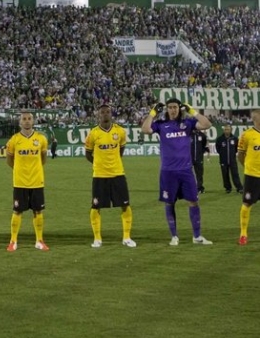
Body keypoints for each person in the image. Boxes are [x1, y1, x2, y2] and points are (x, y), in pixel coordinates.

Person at [141, 99, 213, 246]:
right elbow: (145, 129)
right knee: (169, 202)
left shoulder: (187, 124)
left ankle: (197, 236)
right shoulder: (161, 125)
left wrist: (192, 111)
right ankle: (174, 236)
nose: (173, 110)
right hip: (168, 172)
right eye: (170, 108)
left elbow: (207, 124)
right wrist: (153, 113)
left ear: (179, 109)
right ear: (166, 109)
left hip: (186, 171)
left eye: (175, 107)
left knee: (193, 201)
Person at [84, 104, 136, 248]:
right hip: (99, 176)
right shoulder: (93, 133)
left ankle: (126, 237)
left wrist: (113, 163)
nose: (105, 114)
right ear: (98, 115)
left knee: (125, 205)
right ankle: (97, 238)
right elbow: (88, 153)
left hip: (118, 174)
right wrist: (98, 164)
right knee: (96, 207)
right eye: (102, 112)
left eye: (108, 112)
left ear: (111, 114)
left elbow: (121, 150)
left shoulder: (120, 131)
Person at [5, 111, 49, 251]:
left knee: (38, 211)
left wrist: (34, 169)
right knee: (17, 211)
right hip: (20, 182)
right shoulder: (14, 140)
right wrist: (19, 169)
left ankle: (39, 240)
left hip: (37, 181)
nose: (27, 121)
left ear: (33, 121)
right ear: (20, 122)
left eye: (29, 118)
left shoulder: (41, 139)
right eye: (24, 119)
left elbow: (43, 159)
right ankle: (13, 241)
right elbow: (9, 160)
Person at [236, 109, 260, 245]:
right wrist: (247, 167)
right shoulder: (247, 135)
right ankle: (243, 234)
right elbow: (240, 154)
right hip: (252, 176)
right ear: (255, 119)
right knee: (247, 203)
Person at [216, 124, 243, 193]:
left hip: (232, 160)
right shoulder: (220, 139)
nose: (226, 131)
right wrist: (223, 155)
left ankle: (239, 188)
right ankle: (228, 188)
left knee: (235, 174)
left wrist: (232, 154)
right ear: (223, 130)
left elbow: (236, 148)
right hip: (223, 160)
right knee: (225, 175)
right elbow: (218, 149)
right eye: (225, 129)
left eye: (228, 129)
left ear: (231, 130)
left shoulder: (235, 138)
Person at [190, 128, 209, 194]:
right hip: (189, 158)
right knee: (187, 173)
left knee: (199, 174)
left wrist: (201, 152)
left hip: (199, 158)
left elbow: (204, 145)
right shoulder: (188, 134)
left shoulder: (202, 135)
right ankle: (187, 188)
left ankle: (199, 188)